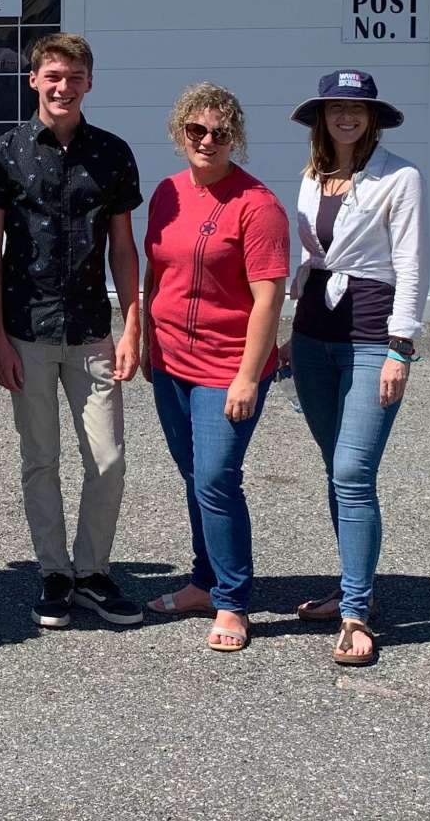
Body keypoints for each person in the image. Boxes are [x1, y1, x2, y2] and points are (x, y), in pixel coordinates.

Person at [0, 33, 144, 629]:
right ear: (33, 80)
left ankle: (93, 571)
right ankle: (53, 571)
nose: (62, 86)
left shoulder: (113, 154)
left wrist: (133, 325)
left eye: (73, 76)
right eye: (51, 75)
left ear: (89, 83)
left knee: (109, 458)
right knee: (40, 458)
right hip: (26, 330)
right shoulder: (2, 154)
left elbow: (123, 247)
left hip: (94, 329)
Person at [140, 83, 289, 654]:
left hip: (227, 367)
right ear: (180, 133)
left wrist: (249, 376)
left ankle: (232, 600)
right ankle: (203, 580)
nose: (207, 140)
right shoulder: (168, 194)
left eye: (220, 132)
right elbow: (157, 274)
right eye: (196, 130)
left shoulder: (257, 205)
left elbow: (268, 297)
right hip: (172, 362)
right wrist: (150, 341)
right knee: (193, 476)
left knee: (216, 479)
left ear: (236, 137)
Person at [287, 70, 424, 668]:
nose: (346, 116)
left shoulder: (401, 176)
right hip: (313, 333)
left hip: (370, 337)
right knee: (333, 468)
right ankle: (346, 590)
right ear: (323, 117)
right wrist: (287, 328)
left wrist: (402, 347)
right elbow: (308, 259)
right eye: (336, 108)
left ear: (372, 117)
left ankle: (356, 613)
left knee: (353, 470)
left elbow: (411, 263)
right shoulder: (312, 176)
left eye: (357, 108)